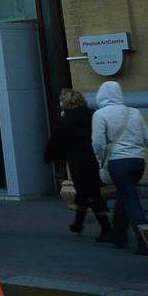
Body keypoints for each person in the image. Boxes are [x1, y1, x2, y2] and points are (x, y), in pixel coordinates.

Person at [92, 80, 148, 255]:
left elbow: (98, 143)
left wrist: (101, 161)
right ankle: (117, 235)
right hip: (138, 163)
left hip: (118, 163)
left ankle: (146, 243)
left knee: (131, 202)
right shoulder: (133, 112)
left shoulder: (100, 114)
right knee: (124, 195)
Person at [44, 88, 109, 237]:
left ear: (65, 102)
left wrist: (48, 157)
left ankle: (107, 229)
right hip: (95, 160)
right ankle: (78, 223)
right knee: (84, 192)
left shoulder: (66, 121)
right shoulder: (93, 115)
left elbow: (56, 142)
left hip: (78, 163)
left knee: (92, 193)